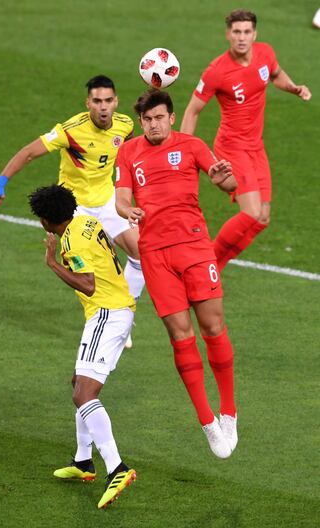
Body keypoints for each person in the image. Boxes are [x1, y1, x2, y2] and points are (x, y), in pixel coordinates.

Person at [115, 89, 238, 459]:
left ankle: (229, 412)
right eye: (147, 120)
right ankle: (207, 422)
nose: (153, 125)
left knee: (213, 327)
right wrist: (127, 210)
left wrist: (224, 177)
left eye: (159, 118)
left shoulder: (192, 145)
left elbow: (229, 184)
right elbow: (121, 197)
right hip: (155, 254)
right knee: (180, 335)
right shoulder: (129, 151)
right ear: (141, 122)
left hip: (195, 248)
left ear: (171, 117)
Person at [0, 75, 144, 345]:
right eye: (97, 101)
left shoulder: (125, 126)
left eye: (108, 101)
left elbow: (132, 156)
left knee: (141, 254)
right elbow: (29, 152)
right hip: (74, 208)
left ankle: (124, 314)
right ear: (88, 103)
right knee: (91, 271)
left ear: (116, 101)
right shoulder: (70, 130)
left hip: (107, 201)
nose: (103, 107)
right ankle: (102, 319)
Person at [28, 184, 136, 509]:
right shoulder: (86, 222)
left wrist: (52, 263)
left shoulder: (71, 242)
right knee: (79, 382)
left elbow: (88, 284)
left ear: (48, 220)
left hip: (106, 313)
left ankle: (116, 468)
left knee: (83, 394)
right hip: (117, 308)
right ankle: (83, 462)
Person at [180, 9, 312, 271]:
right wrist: (184, 150)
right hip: (231, 147)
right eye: (237, 32)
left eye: (247, 32)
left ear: (255, 34)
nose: (242, 37)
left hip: (256, 147)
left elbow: (276, 74)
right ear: (228, 34)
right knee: (250, 212)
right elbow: (192, 110)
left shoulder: (265, 53)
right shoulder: (217, 71)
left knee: (262, 218)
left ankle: (214, 267)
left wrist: (294, 87)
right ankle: (207, 267)